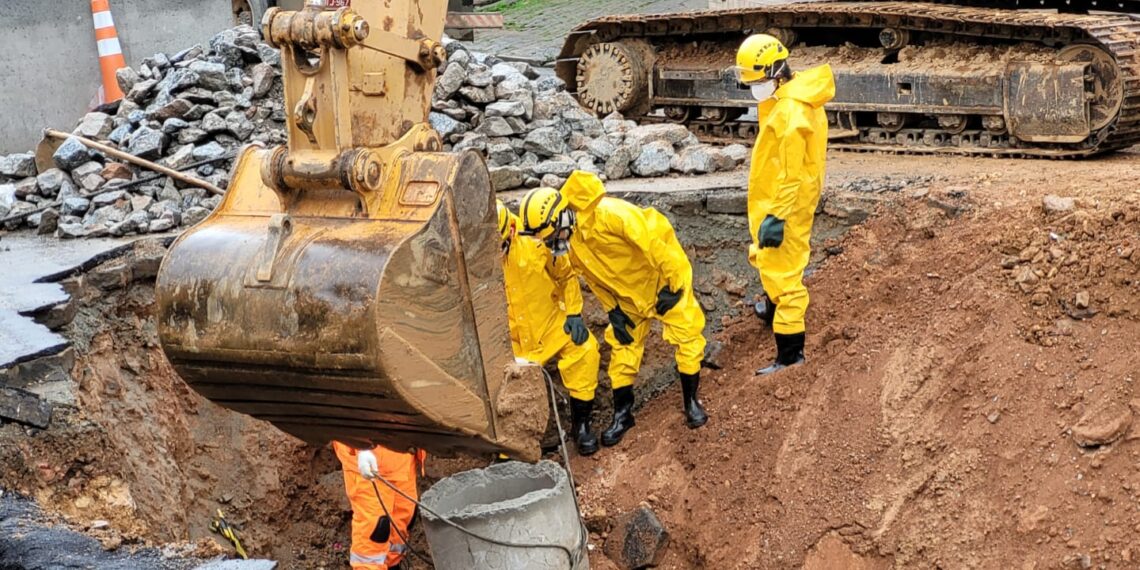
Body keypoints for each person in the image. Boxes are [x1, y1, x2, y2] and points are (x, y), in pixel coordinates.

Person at [518, 172, 709, 446]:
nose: (552, 244)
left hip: (659, 287)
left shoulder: (610, 215)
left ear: (561, 218)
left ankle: (691, 402)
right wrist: (612, 309)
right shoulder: (572, 245)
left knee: (687, 336)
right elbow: (595, 281)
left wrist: (674, 285)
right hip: (627, 301)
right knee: (623, 352)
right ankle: (623, 415)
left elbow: (658, 243)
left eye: (552, 237)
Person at [734, 33, 835, 375]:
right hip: (777, 198)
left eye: (758, 80)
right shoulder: (790, 94)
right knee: (768, 257)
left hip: (785, 203)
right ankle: (772, 307)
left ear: (777, 71)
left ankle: (790, 355)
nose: (754, 88)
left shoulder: (792, 113)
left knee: (785, 276)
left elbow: (792, 174)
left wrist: (777, 215)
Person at [497, 200, 601, 455]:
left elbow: (566, 276)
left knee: (585, 351)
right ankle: (511, 448)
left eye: (501, 246)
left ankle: (582, 424)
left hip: (551, 325)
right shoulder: (473, 254)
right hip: (513, 338)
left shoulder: (536, 241)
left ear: (509, 230)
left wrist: (574, 312)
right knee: (507, 386)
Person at [332, 442, 424, 570]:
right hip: (370, 461)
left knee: (402, 520)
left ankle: (393, 564)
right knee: (376, 529)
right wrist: (361, 445)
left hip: (403, 456)